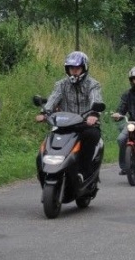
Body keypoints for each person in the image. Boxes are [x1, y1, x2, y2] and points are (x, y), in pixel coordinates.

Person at [35, 51, 103, 182]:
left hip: (85, 124)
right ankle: (45, 169)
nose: (74, 71)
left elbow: (96, 99)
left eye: (77, 68)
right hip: (64, 124)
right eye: (71, 68)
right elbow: (53, 98)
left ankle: (85, 171)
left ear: (84, 68)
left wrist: (94, 114)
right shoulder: (61, 84)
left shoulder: (93, 84)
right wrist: (44, 113)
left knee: (91, 136)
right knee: (50, 140)